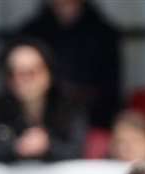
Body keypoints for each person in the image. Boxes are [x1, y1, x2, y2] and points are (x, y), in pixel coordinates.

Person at [15, 0, 122, 129]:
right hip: (43, 116)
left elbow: (110, 88)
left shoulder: (103, 34)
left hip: (93, 117)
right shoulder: (31, 33)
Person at [0, 38, 86, 162]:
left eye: (30, 73)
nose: (21, 80)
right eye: (13, 73)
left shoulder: (68, 107)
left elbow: (76, 150)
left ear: (48, 74)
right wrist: (16, 147)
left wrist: (48, 146)